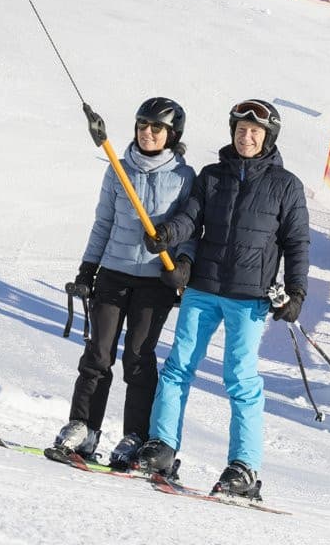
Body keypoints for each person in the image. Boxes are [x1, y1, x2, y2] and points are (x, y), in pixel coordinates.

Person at [134, 98, 310, 500]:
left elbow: (297, 243)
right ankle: (162, 446)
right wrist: (168, 234)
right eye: (241, 130)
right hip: (203, 288)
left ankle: (243, 467)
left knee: (240, 378)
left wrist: (296, 291)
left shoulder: (286, 185)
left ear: (268, 137)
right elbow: (191, 218)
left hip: (250, 297)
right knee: (178, 367)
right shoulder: (212, 176)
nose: (246, 137)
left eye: (255, 132)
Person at [52, 97, 196, 468]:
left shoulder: (184, 177)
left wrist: (183, 265)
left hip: (155, 281)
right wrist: (88, 270)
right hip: (113, 274)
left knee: (138, 359)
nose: (147, 132)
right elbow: (103, 223)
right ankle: (84, 427)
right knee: (97, 354)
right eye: (142, 124)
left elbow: (190, 231)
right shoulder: (118, 168)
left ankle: (135, 435)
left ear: (172, 134)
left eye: (157, 127)